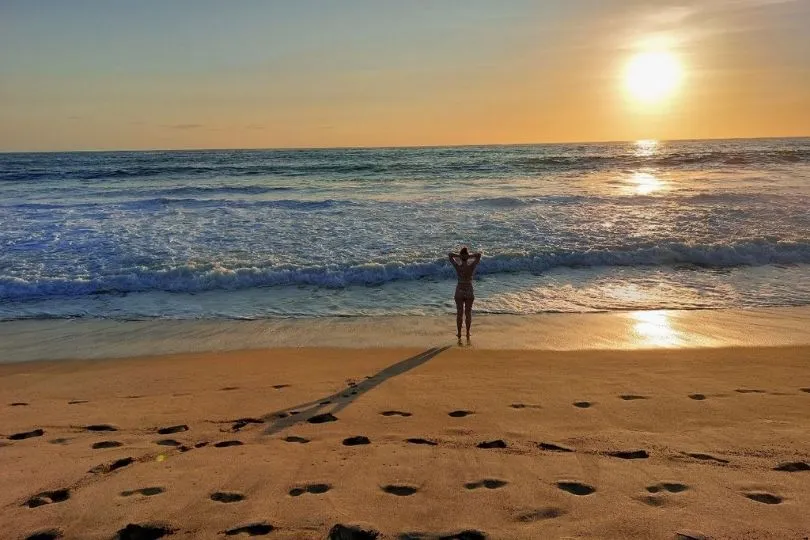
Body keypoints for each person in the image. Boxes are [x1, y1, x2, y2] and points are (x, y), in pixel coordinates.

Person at [448, 247, 482, 342]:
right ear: (467, 256)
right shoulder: (471, 266)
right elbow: (479, 255)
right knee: (468, 313)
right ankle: (467, 332)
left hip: (459, 290)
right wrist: (468, 256)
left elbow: (450, 255)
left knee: (459, 313)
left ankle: (459, 333)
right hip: (469, 290)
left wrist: (459, 256)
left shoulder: (458, 267)